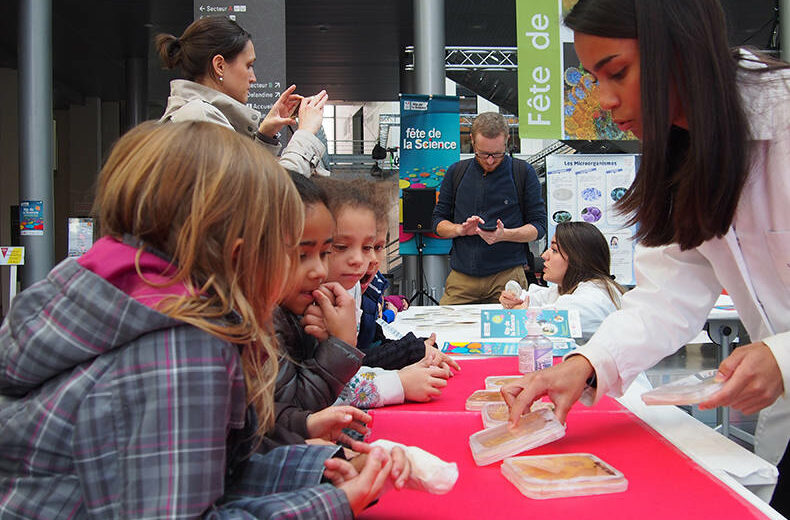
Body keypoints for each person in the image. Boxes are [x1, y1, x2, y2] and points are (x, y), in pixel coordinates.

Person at [0, 122, 402, 518]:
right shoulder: (183, 347)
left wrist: (314, 471)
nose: (312, 270)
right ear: (241, 251)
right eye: (288, 246)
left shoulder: (105, 295)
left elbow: (207, 474)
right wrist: (333, 504)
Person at [501, 1, 790, 515]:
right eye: (594, 78)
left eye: (618, 72)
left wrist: (782, 356)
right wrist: (587, 363)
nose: (605, 100)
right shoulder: (681, 152)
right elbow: (666, 297)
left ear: (682, 47)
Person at [156, 16, 330, 176]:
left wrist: (265, 137)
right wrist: (305, 135)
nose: (253, 78)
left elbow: (244, 181)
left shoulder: (193, 115)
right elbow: (268, 196)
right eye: (248, 65)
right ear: (219, 66)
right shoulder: (198, 119)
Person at [432, 112, 547, 304]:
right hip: (462, 277)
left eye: (497, 154)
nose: (491, 160)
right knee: (447, 332)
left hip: (508, 275)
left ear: (507, 140)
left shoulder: (523, 172)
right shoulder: (456, 172)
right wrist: (460, 229)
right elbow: (437, 221)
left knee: (512, 330)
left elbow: (539, 227)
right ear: (472, 141)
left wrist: (504, 235)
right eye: (483, 154)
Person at [499, 222, 625, 344]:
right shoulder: (569, 288)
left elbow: (544, 321)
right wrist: (512, 299)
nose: (544, 255)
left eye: (554, 250)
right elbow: (532, 299)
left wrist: (519, 311)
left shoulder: (592, 299)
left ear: (578, 259)